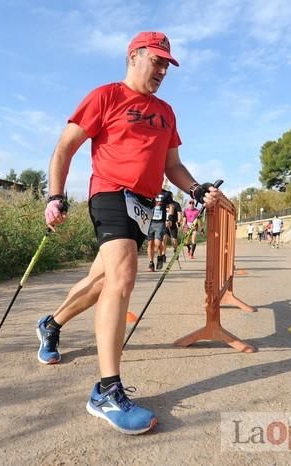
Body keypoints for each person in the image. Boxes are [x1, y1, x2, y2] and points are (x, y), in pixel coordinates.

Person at [40, 31, 221, 435]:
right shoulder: (105, 96)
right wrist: (54, 195)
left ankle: (51, 325)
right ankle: (106, 391)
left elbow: (173, 166)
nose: (161, 71)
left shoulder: (166, 112)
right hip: (109, 192)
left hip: (143, 203)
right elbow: (64, 147)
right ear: (133, 56)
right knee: (122, 277)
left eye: (166, 65)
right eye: (155, 61)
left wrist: (195, 188)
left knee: (103, 279)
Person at [147, 188, 173, 271]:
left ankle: (160, 256)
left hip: (160, 222)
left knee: (158, 244)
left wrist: (170, 219)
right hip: (149, 222)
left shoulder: (166, 193)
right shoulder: (148, 191)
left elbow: (171, 206)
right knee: (150, 243)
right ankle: (151, 264)